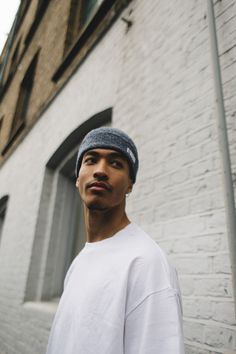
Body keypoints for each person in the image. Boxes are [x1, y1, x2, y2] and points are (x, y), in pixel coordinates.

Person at [46, 127, 185, 354]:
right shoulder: (80, 260)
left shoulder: (146, 263)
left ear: (130, 184)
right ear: (77, 177)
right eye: (91, 160)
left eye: (116, 163)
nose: (100, 171)